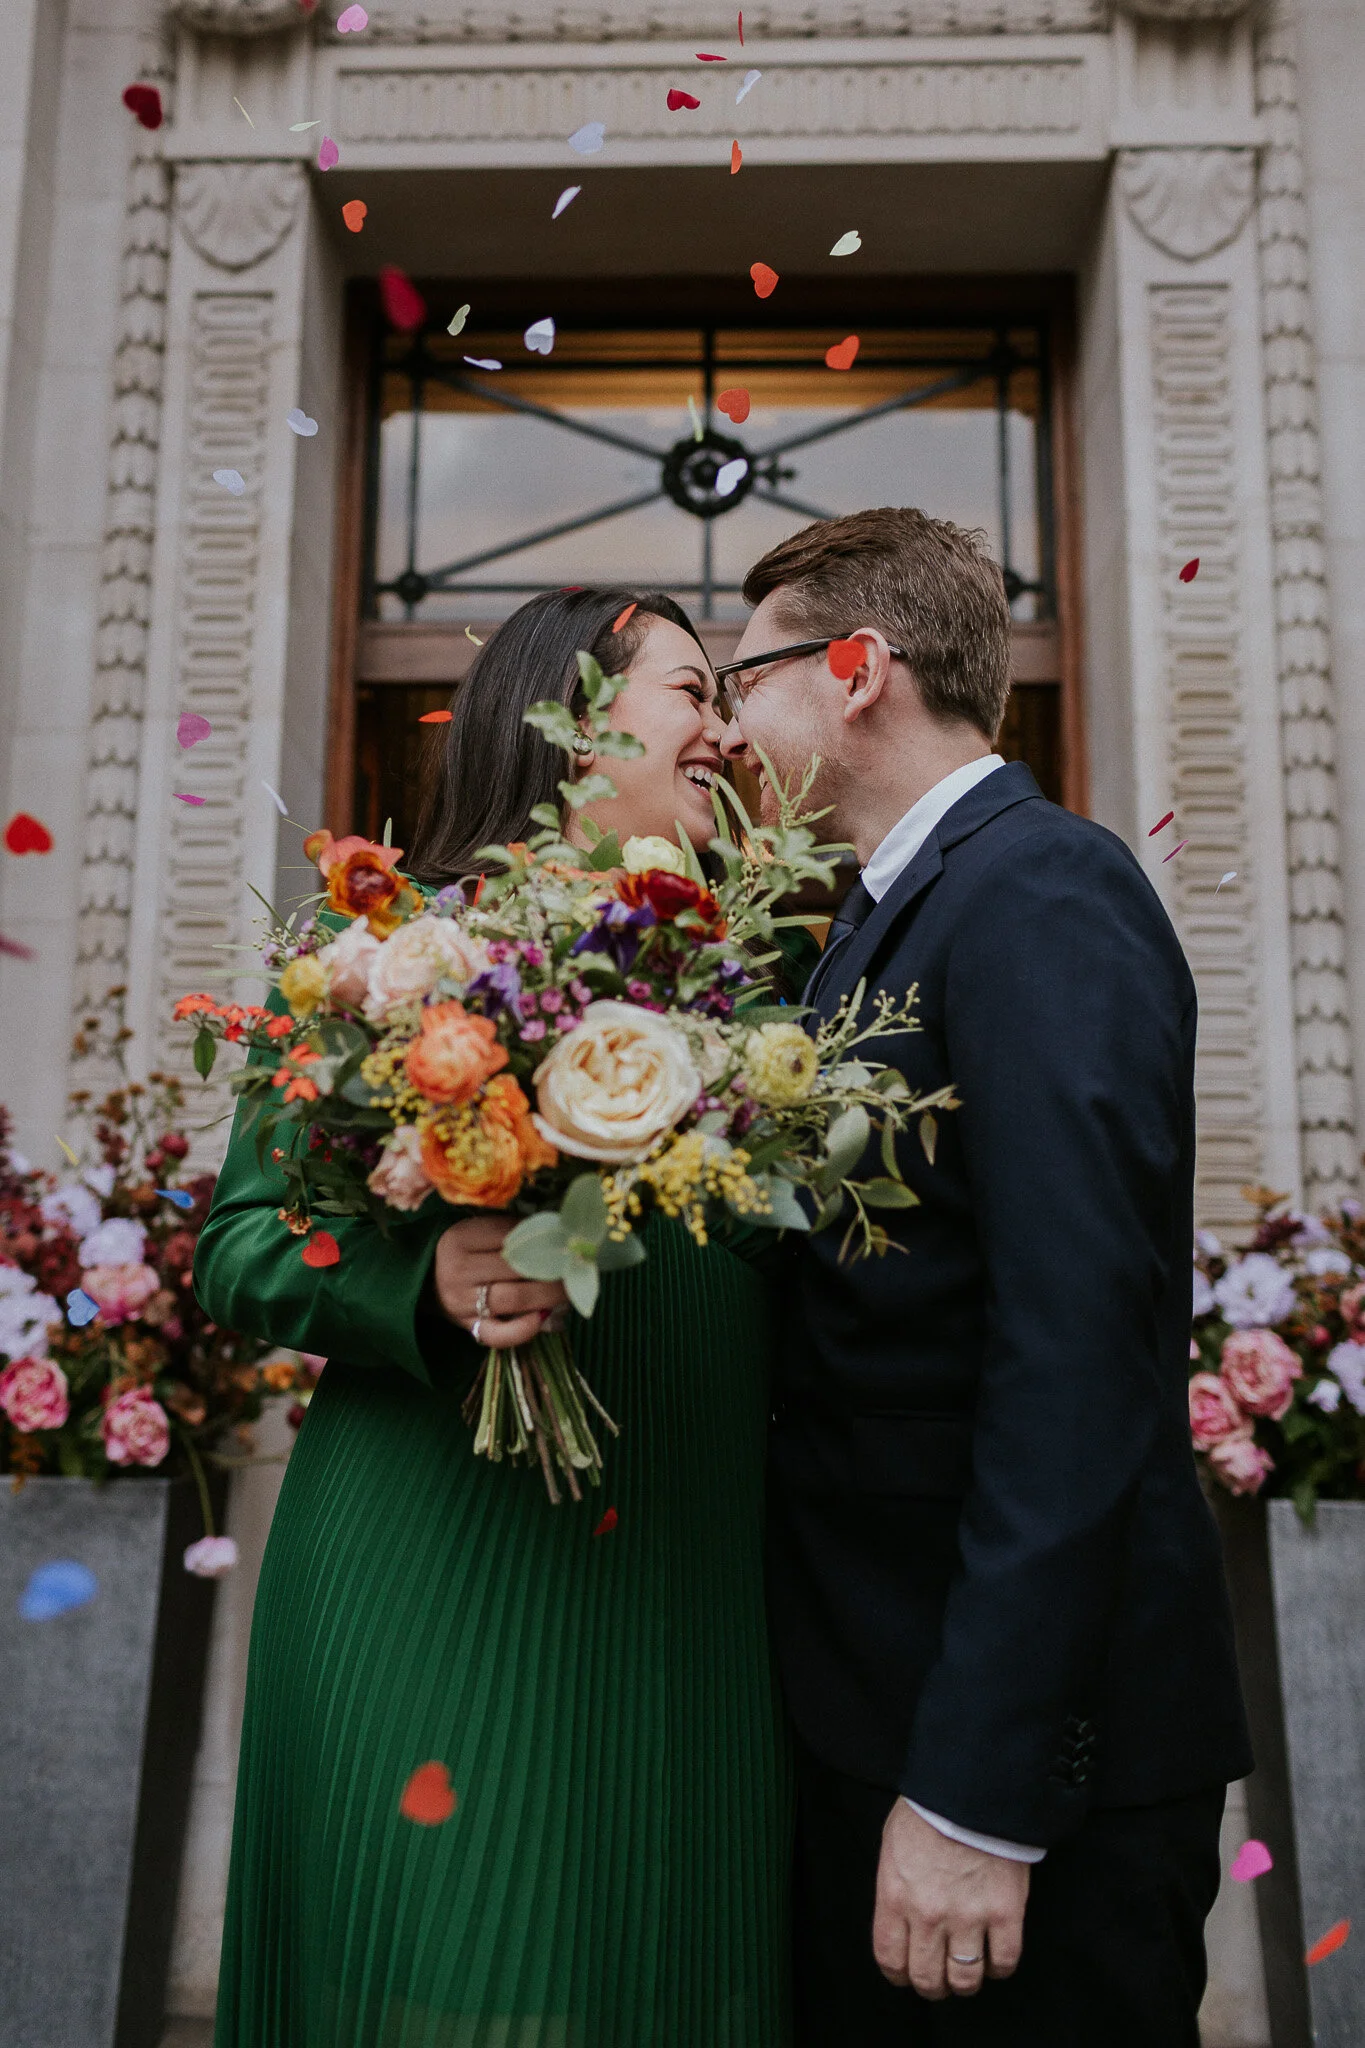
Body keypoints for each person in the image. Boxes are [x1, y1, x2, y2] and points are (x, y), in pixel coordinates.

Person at [196, 588, 794, 2048]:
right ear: (570, 720)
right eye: (690, 689)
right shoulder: (390, 959)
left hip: (681, 1580)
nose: (724, 726)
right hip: (442, 1559)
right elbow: (238, 1253)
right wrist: (425, 1283)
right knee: (466, 1976)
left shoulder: (747, 987)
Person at [717, 508, 1253, 2046]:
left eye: (748, 679)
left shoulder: (1040, 893)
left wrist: (976, 1792)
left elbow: (1074, 1357)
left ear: (857, 667)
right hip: (874, 1699)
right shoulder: (870, 924)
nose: (737, 726)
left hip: (1009, 1763)